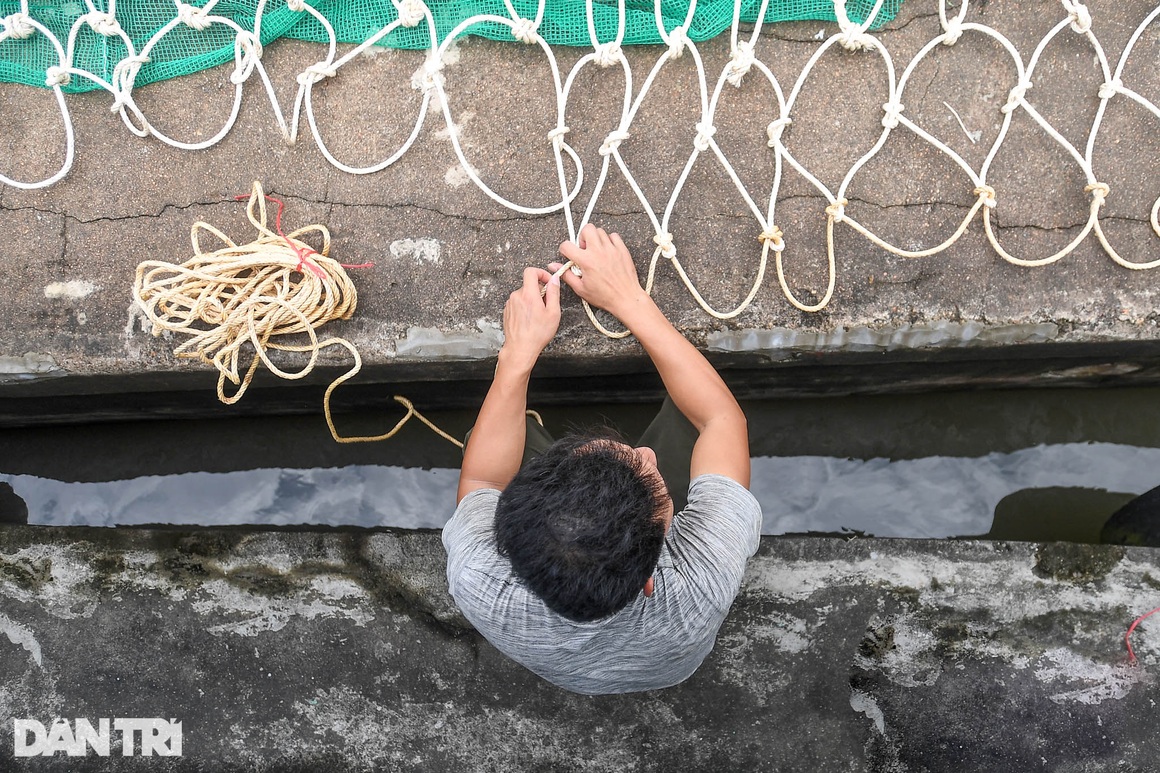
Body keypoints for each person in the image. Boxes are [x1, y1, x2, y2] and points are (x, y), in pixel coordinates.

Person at [442, 224, 762, 695]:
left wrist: (518, 353)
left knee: (484, 436)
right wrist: (628, 299)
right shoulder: (703, 578)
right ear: (651, 579)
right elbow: (721, 419)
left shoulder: (478, 578)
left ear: (506, 528)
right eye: (647, 469)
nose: (646, 453)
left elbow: (484, 476)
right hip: (669, 661)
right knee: (697, 422)